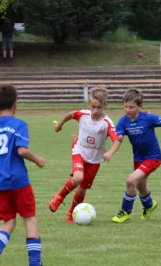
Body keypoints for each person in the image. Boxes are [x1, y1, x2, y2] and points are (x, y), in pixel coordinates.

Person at [0, 85, 47, 266]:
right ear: (16, 105)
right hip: (19, 181)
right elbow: (22, 151)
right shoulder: (19, 124)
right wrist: (38, 160)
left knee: (8, 222)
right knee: (29, 218)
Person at [110, 89, 161, 223]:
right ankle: (149, 206)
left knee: (130, 181)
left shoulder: (148, 118)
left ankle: (125, 212)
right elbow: (118, 136)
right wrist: (118, 138)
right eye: (125, 106)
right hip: (138, 158)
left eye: (131, 107)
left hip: (153, 157)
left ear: (140, 107)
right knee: (141, 186)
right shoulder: (123, 121)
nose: (128, 110)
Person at [49, 87, 120, 223]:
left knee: (81, 190)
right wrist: (60, 124)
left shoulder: (107, 123)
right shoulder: (83, 115)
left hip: (95, 159)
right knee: (78, 177)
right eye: (93, 107)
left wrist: (110, 152)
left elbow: (116, 140)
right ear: (89, 104)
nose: (95, 111)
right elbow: (71, 114)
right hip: (79, 151)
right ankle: (59, 196)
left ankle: (71, 213)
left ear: (104, 105)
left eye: (99, 107)